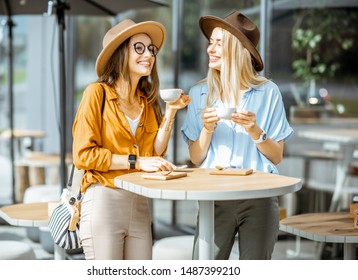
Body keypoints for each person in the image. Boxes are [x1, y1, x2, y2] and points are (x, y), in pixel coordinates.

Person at [72, 19, 190, 260]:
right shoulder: (96, 94)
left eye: (151, 49)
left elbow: (155, 154)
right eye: (139, 47)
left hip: (140, 203)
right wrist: (137, 161)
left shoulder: (146, 101)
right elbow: (83, 155)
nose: (148, 54)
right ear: (120, 54)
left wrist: (170, 112)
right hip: (105, 199)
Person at [181, 11, 293, 260]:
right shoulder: (199, 93)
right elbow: (196, 157)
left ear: (238, 49)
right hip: (214, 197)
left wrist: (255, 130)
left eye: (219, 43)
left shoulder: (268, 92)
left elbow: (276, 157)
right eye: (211, 42)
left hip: (259, 197)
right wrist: (207, 130)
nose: (211, 48)